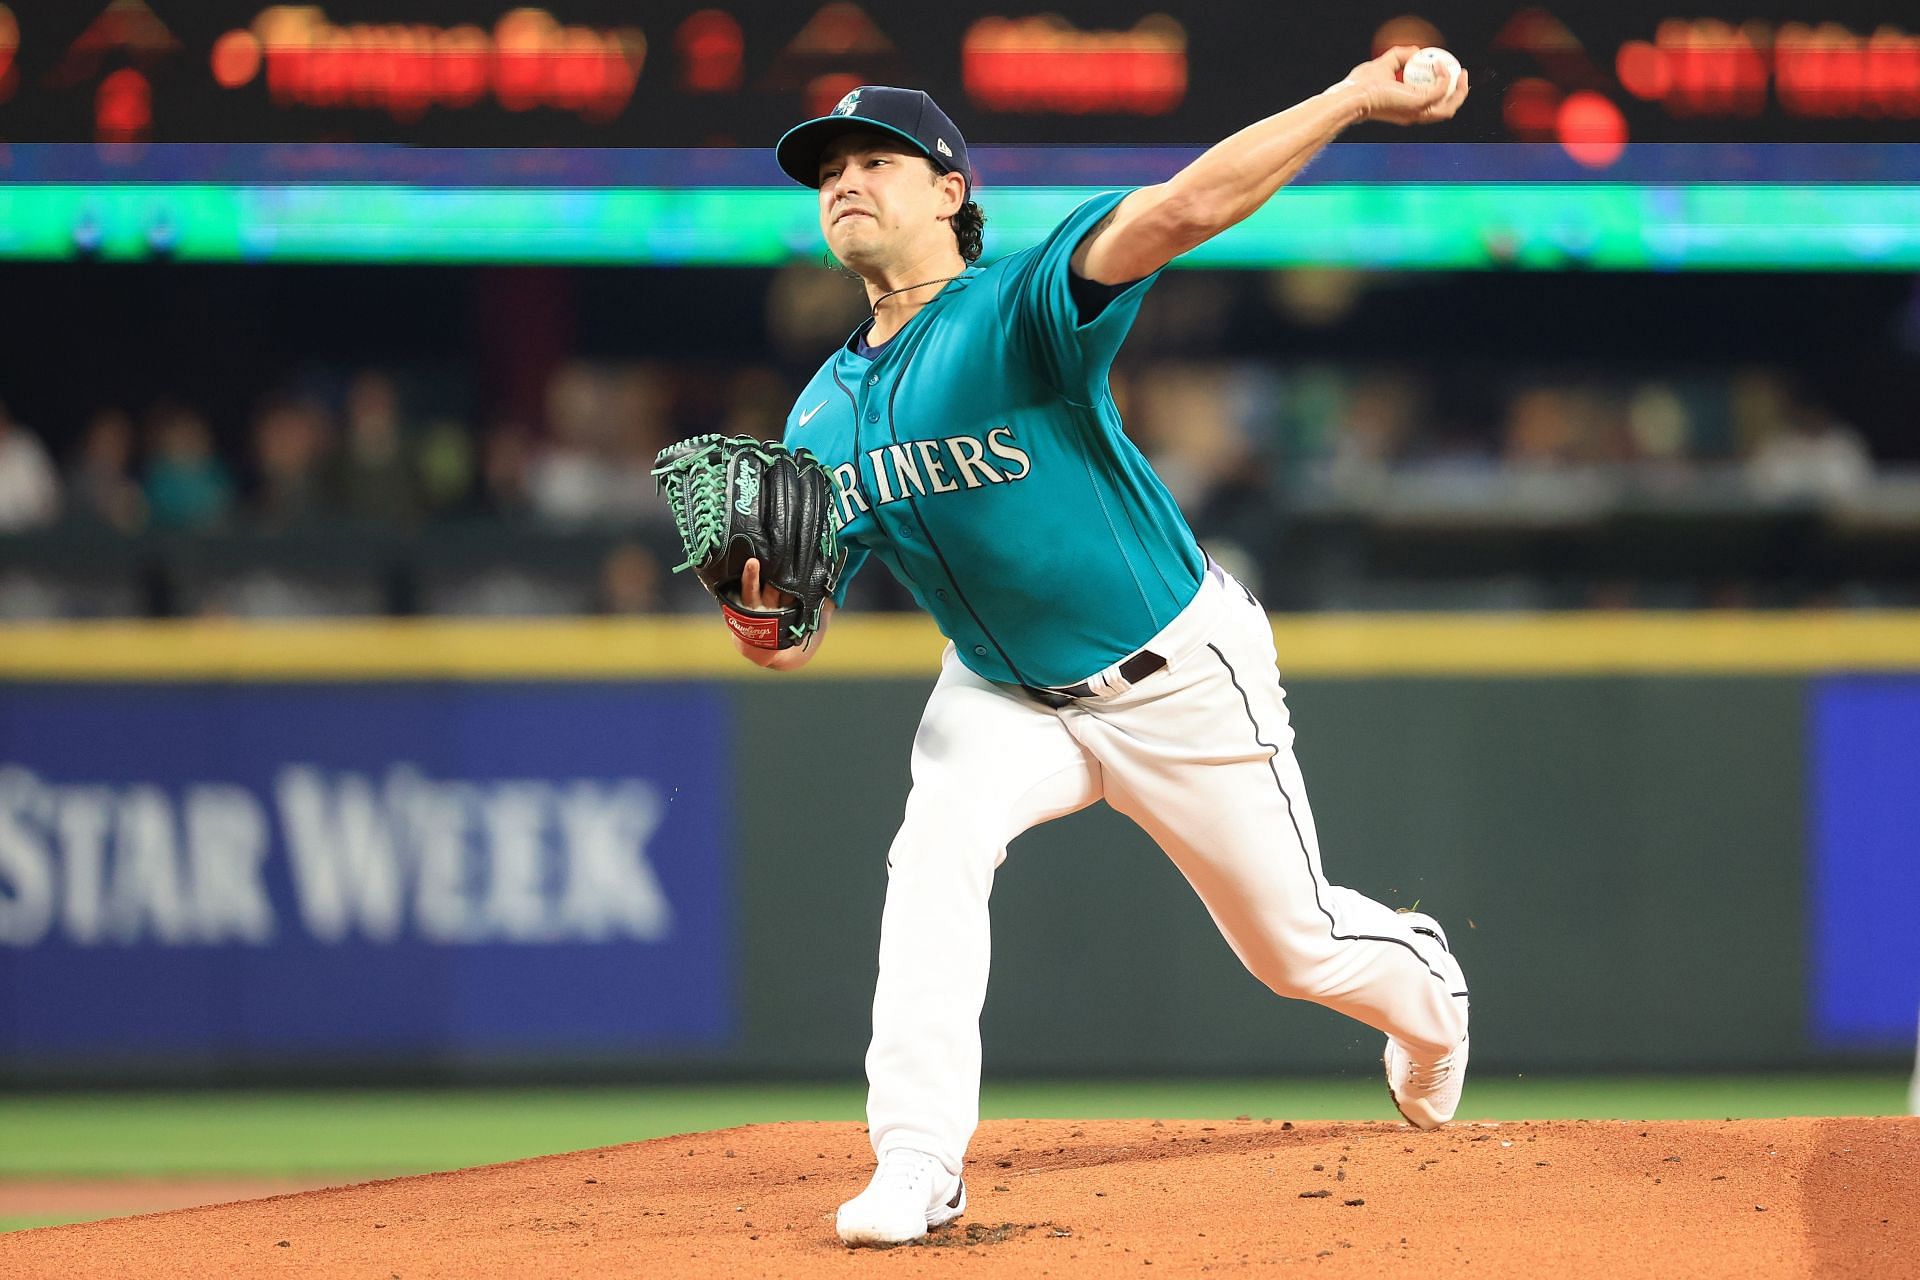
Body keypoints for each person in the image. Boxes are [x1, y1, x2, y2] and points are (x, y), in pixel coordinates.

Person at [744, 50, 1472, 1248]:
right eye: (826, 168)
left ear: (948, 189)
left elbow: (1185, 207)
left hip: (1174, 673)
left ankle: (1430, 990)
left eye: (874, 159)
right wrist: (769, 623)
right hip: (998, 693)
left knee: (1297, 947)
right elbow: (798, 636)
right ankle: (919, 1161)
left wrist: (1346, 94)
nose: (843, 180)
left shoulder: (1023, 303)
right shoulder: (819, 410)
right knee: (931, 855)